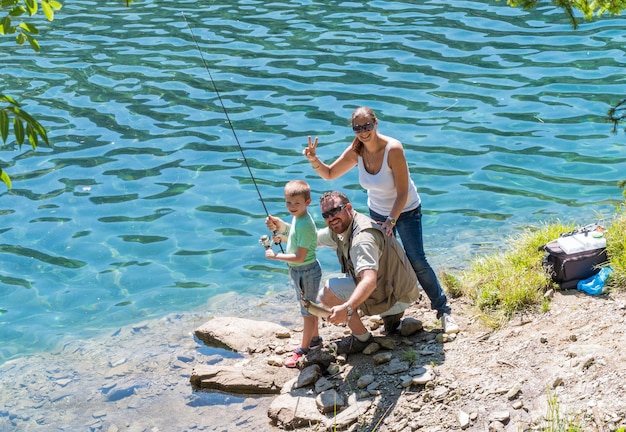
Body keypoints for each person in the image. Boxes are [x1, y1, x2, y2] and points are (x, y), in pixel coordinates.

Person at [302, 107, 459, 334]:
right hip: (377, 211)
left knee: (416, 259)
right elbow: (328, 174)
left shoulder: (393, 149)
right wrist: (314, 159)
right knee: (382, 264)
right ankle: (392, 315)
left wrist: (391, 221)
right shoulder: (356, 151)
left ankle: (443, 310)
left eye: (367, 126)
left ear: (376, 123)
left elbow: (403, 192)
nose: (363, 131)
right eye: (358, 128)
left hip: (405, 210)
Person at [276, 191, 421, 355]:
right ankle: (390, 319)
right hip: (396, 288)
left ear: (348, 208)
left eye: (335, 211)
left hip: (396, 295)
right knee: (335, 288)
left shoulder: (362, 239)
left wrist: (347, 308)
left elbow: (369, 281)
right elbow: (312, 239)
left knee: (328, 292)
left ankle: (363, 340)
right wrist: (284, 230)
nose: (331, 218)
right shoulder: (340, 229)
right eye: (326, 215)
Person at [264, 180, 323, 368]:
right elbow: (295, 234)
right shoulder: (299, 219)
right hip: (301, 272)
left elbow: (299, 257)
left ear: (307, 202)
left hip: (305, 271)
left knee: (306, 312)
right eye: (288, 203)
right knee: (311, 308)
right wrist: (282, 229)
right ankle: (315, 340)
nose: (292, 207)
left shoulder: (305, 224)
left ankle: (303, 350)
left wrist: (276, 256)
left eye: (297, 203)